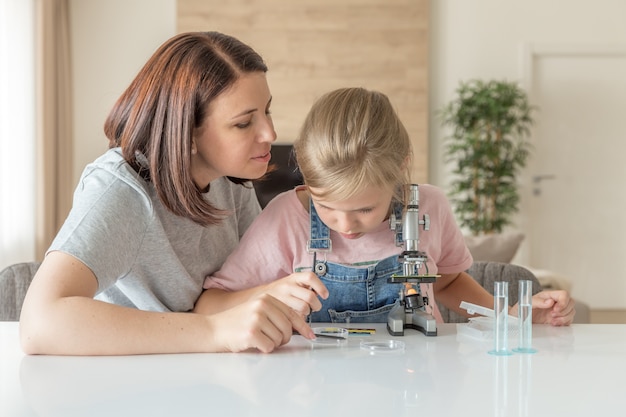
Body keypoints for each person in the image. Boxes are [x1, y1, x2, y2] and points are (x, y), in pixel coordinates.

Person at [19, 31, 318, 356]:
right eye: (244, 124)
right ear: (187, 133)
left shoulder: (230, 179)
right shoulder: (121, 188)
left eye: (267, 111)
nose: (270, 133)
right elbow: (40, 323)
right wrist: (215, 330)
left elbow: (243, 287)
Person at [196, 87, 576, 326]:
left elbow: (446, 280)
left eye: (364, 209)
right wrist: (271, 293)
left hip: (417, 379)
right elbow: (209, 305)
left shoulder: (429, 205)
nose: (345, 225)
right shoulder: (285, 217)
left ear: (400, 169)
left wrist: (509, 316)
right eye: (326, 206)